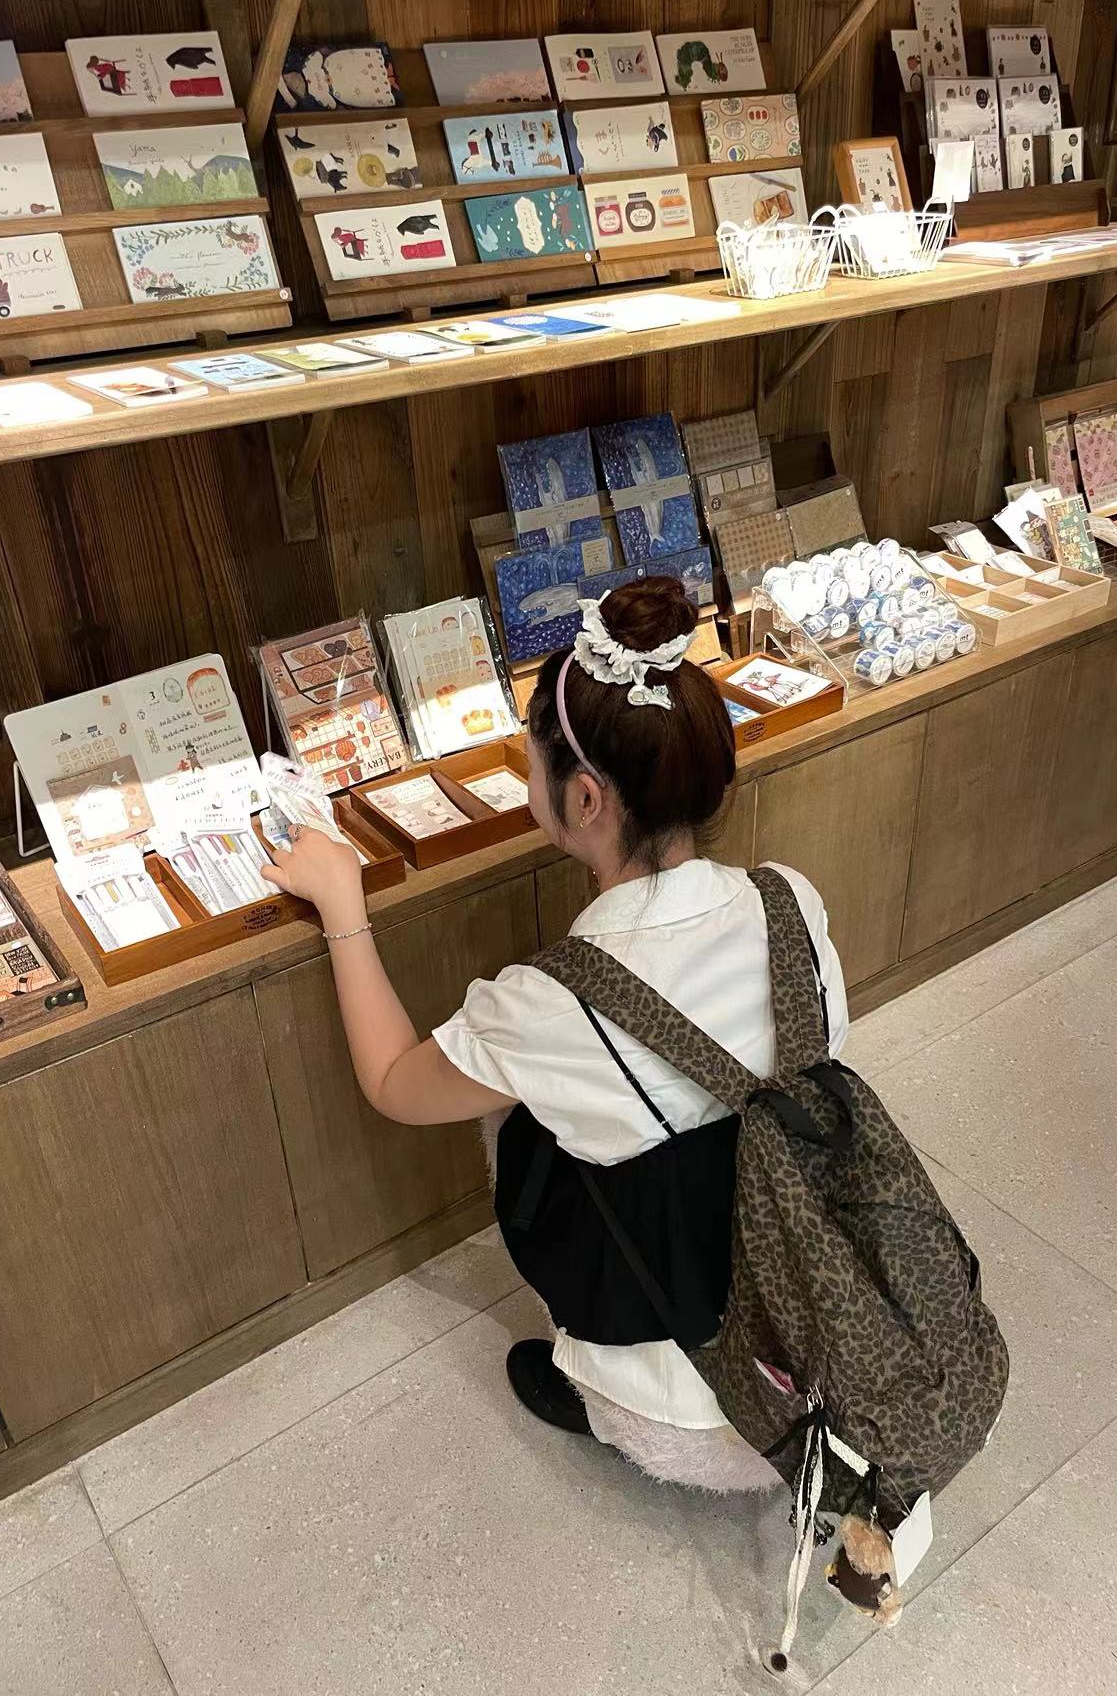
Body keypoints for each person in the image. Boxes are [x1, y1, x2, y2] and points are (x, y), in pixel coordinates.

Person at [262, 576, 848, 1491]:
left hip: (698, 1420)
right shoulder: (789, 902)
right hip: (828, 1349)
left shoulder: (549, 1004)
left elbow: (393, 1084)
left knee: (514, 1108)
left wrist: (343, 901)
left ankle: (607, 1396)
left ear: (584, 800)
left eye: (532, 763)